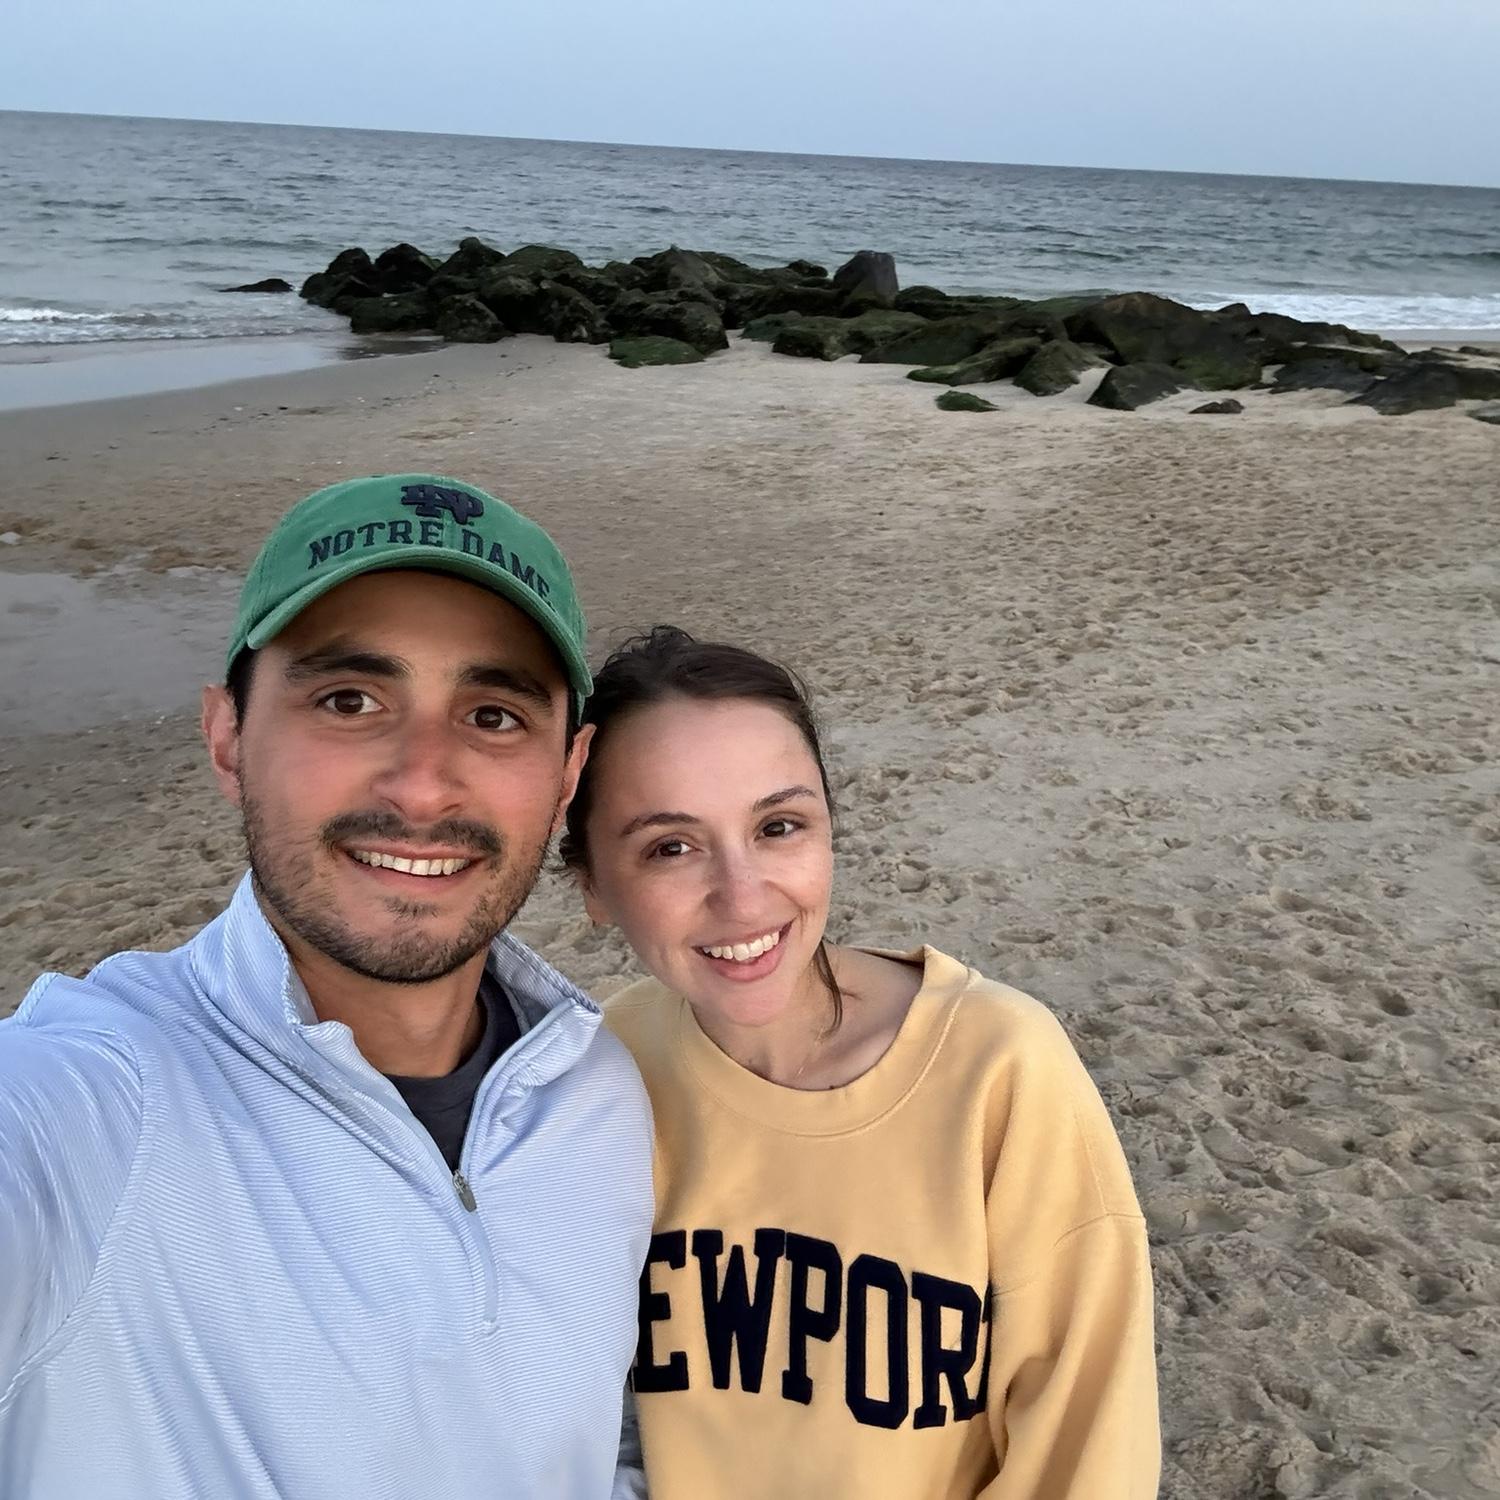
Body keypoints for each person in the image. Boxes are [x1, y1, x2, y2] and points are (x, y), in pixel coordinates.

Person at [0, 474, 654, 1498]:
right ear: (227, 737)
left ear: (569, 774)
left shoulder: (600, 1089)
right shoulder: (86, 1107)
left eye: (492, 715)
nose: (423, 783)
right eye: (349, 701)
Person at [561, 626, 1160, 1500]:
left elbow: (1086, 1443)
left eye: (779, 826)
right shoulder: (606, 1068)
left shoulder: (1000, 1068)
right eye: (671, 847)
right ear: (592, 886)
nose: (744, 896)